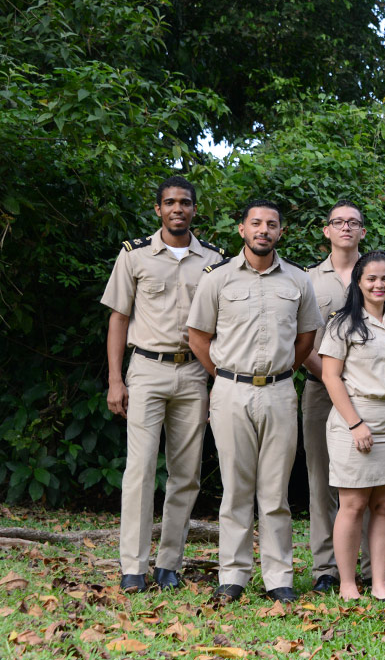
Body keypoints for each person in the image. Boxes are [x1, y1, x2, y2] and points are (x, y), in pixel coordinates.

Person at [187, 199, 323, 604]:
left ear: (280, 232)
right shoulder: (218, 278)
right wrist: (226, 378)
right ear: (242, 230)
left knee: (275, 492)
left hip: (280, 391)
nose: (264, 230)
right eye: (256, 223)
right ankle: (233, 575)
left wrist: (282, 373)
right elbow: (198, 336)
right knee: (235, 489)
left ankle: (278, 577)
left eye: (272, 224)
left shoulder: (298, 281)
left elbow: (306, 340)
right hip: (231, 392)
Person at [101, 176, 224, 593]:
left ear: (194, 209)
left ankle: (169, 563)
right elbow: (118, 317)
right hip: (147, 370)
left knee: (186, 473)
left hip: (193, 373)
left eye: (185, 203)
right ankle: (133, 565)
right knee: (138, 470)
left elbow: (221, 325)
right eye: (169, 202)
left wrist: (217, 379)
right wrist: (116, 379)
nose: (177, 209)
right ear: (158, 210)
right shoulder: (134, 256)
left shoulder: (213, 259)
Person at [319, 250, 385, 602]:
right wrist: (356, 423)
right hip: (355, 422)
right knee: (354, 505)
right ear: (358, 282)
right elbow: (331, 377)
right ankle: (347, 585)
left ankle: (378, 583)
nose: (379, 284)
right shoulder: (342, 324)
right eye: (372, 278)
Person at [300, 200, 364, 593]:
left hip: (369, 398)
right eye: (337, 222)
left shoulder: (376, 273)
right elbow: (301, 339)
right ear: (326, 231)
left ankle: (374, 564)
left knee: (368, 481)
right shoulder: (306, 279)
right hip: (320, 391)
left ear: (362, 231)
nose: (345, 228)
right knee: (321, 481)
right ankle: (326, 568)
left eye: (352, 222)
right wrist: (328, 376)